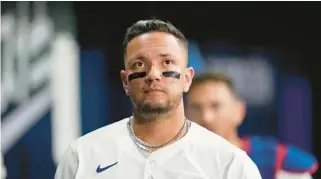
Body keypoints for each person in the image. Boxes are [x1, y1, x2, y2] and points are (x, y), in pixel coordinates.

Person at [54, 19, 261, 179]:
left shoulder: (230, 164)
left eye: (167, 62)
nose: (153, 74)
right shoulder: (81, 157)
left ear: (187, 79)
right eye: (139, 65)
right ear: (125, 81)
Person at [185, 71, 319, 179]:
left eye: (216, 106)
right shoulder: (175, 162)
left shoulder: (275, 162)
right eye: (196, 107)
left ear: (239, 111)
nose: (206, 117)